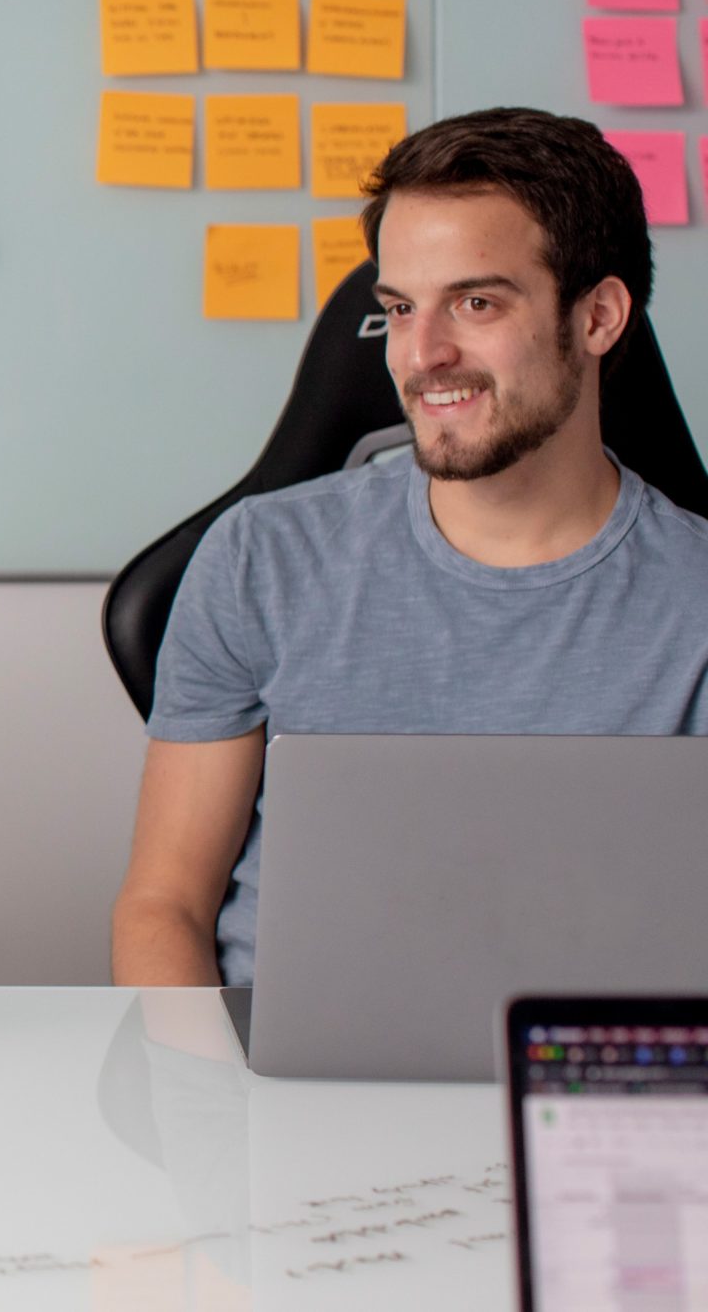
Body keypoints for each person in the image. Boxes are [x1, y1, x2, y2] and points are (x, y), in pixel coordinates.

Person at [112, 107, 708, 987]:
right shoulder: (259, 560)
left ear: (598, 317)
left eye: (475, 301)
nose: (421, 354)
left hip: (596, 1087)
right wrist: (208, 1108)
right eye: (398, 307)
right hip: (283, 1089)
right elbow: (166, 906)